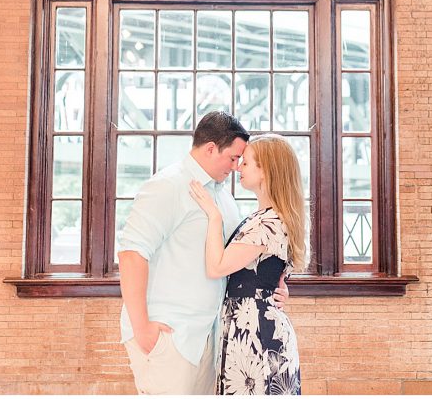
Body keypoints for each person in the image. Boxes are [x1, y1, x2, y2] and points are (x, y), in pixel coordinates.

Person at [117, 111, 288, 395]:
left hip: (210, 338)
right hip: (170, 334)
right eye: (234, 158)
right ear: (211, 149)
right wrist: (143, 329)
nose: (237, 167)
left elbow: (239, 259)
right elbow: (132, 254)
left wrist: (275, 287)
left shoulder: (223, 197)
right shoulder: (168, 186)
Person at [188, 133, 307, 395]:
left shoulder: (269, 223)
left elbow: (216, 267)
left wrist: (214, 215)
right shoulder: (263, 217)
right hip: (247, 326)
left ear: (266, 171)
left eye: (246, 162)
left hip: (257, 333)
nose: (238, 167)